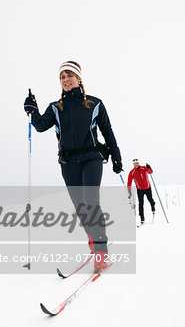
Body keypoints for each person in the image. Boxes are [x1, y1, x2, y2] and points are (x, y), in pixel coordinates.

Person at [23, 61, 123, 272]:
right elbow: (41, 126)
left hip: (91, 159)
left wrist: (116, 157)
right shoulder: (56, 107)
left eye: (69, 76)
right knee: (81, 207)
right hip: (68, 163)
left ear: (78, 78)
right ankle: (91, 236)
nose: (66, 80)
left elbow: (107, 131)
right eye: (62, 77)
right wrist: (32, 111)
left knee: (91, 201)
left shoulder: (95, 104)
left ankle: (101, 252)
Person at [127, 159, 155, 225]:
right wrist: (129, 190)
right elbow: (129, 182)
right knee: (141, 204)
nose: (136, 164)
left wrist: (149, 167)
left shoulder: (144, 168)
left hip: (148, 188)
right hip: (139, 190)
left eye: (137, 163)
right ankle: (142, 218)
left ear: (139, 163)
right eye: (135, 163)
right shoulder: (132, 172)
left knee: (150, 199)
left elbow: (150, 172)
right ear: (133, 164)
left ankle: (153, 205)